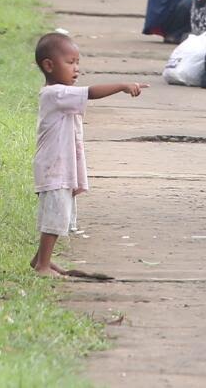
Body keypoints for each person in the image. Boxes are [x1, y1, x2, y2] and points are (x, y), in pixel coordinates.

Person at [32, 32, 147, 277]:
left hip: (61, 167)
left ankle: (40, 260)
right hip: (54, 168)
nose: (76, 68)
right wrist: (122, 86)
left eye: (78, 63)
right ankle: (42, 266)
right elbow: (91, 92)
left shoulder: (63, 93)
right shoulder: (55, 94)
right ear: (49, 66)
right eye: (70, 62)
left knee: (58, 214)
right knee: (55, 217)